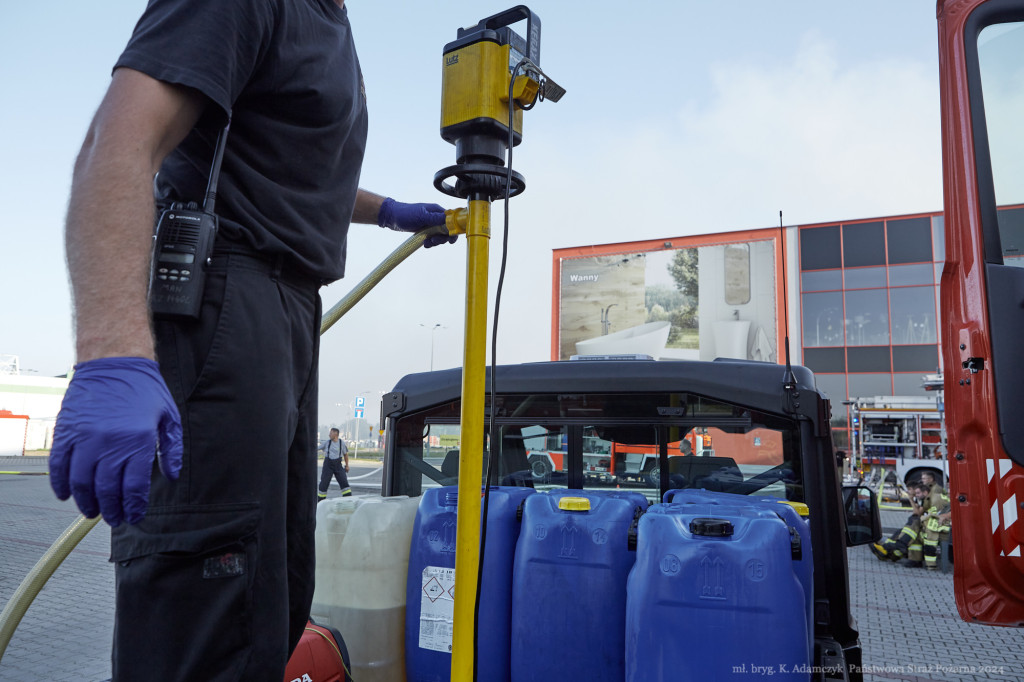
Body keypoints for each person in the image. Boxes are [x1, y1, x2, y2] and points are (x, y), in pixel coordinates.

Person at [47, 0, 454, 679]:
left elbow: (287, 161)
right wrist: (112, 352)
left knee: (273, 592)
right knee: (209, 598)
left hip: (287, 308)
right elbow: (116, 144)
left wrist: (385, 212)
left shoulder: (330, 23)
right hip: (225, 296)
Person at [870, 481, 930, 566]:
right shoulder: (921, 499)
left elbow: (917, 514)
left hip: (927, 527)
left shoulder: (926, 500)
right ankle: (888, 553)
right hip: (925, 525)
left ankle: (888, 549)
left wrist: (910, 499)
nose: (908, 492)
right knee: (900, 533)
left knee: (913, 522)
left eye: (909, 489)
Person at [918, 471, 952, 570]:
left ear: (930, 479)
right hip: (937, 523)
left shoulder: (936, 492)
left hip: (937, 524)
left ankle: (931, 565)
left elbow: (934, 508)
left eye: (924, 478)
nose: (922, 480)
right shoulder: (932, 490)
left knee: (929, 542)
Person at [319, 428, 351, 499]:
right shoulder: (327, 442)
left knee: (344, 482)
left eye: (331, 433)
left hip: (338, 465)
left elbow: (345, 455)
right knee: (324, 483)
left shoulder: (341, 443)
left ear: (335, 434)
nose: (329, 435)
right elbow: (316, 448)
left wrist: (347, 466)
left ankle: (348, 499)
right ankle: (320, 500)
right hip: (328, 466)